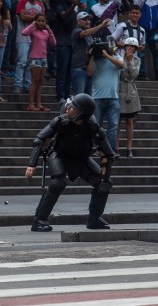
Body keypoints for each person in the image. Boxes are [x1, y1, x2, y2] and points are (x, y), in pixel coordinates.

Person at [25, 93, 116, 232]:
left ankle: (94, 218)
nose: (68, 108)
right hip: (59, 156)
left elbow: (107, 154)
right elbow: (39, 140)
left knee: (103, 184)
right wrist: (32, 164)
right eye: (70, 105)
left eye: (73, 107)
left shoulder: (93, 127)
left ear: (82, 114)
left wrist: (105, 176)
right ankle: (39, 220)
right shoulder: (60, 121)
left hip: (82, 159)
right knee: (57, 183)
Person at [87, 36, 124, 152]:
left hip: (113, 98)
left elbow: (121, 64)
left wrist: (106, 55)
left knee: (113, 126)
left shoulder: (117, 57)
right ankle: (95, 147)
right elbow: (89, 73)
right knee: (95, 125)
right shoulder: (96, 60)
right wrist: (92, 55)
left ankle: (110, 150)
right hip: (97, 97)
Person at [13, 0, 45, 94]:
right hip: (23, 36)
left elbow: (43, 22)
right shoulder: (22, 2)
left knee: (31, 63)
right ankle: (18, 85)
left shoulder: (40, 5)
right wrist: (37, 20)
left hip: (36, 37)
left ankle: (27, 85)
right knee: (22, 61)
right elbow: (22, 17)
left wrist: (30, 17)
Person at [70, 12, 111, 95]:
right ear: (78, 21)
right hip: (79, 68)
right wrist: (101, 26)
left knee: (87, 97)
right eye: (84, 19)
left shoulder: (89, 35)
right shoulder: (77, 31)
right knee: (79, 97)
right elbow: (84, 33)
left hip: (89, 68)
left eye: (88, 19)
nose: (87, 21)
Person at [23, 14, 57, 112]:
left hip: (43, 59)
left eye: (43, 21)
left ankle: (39, 104)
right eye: (39, 21)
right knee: (34, 81)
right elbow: (24, 32)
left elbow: (54, 43)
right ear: (36, 21)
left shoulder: (46, 32)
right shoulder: (33, 30)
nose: (41, 23)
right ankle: (31, 104)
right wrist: (33, 24)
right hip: (35, 58)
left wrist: (49, 30)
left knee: (40, 82)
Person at [117, 37, 142, 158]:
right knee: (118, 121)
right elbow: (119, 72)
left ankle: (129, 148)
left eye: (132, 47)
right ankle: (115, 147)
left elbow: (134, 74)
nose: (129, 48)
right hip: (120, 89)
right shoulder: (119, 58)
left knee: (129, 121)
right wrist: (124, 59)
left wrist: (130, 60)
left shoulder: (137, 60)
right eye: (127, 46)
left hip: (131, 90)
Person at [112, 5, 145, 77]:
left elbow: (143, 46)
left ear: (140, 15)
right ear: (129, 14)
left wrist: (138, 47)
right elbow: (112, 40)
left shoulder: (142, 30)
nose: (135, 15)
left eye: (137, 13)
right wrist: (125, 46)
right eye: (133, 13)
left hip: (133, 61)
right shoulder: (122, 26)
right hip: (120, 58)